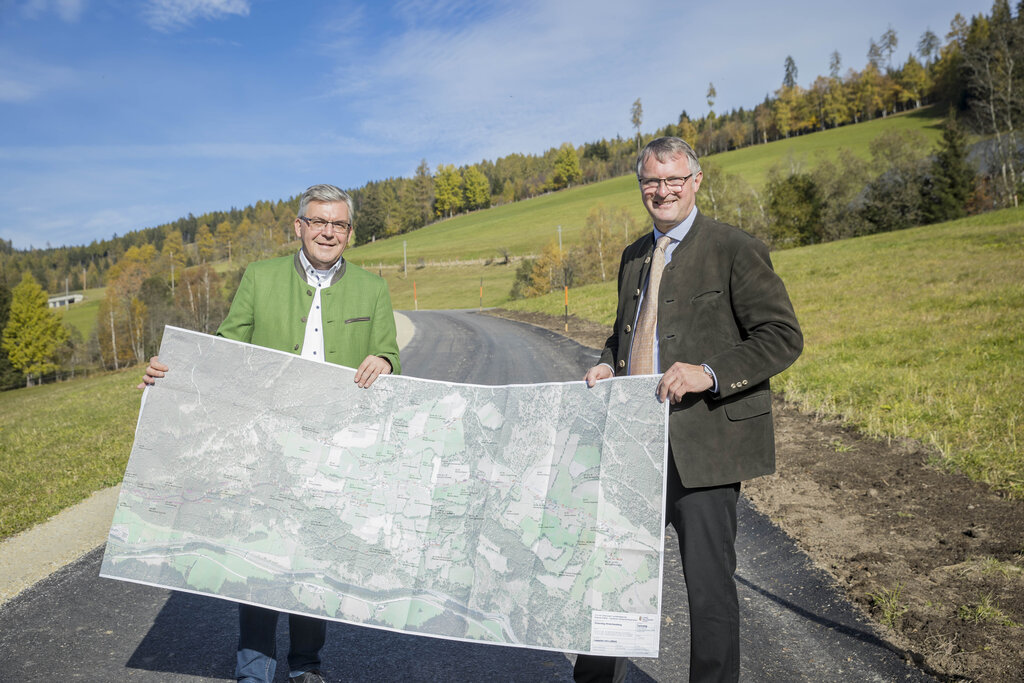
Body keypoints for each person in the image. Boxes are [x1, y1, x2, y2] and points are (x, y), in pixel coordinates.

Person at [139, 183, 401, 683]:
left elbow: (390, 352)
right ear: (299, 226)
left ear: (350, 232)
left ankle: (306, 666)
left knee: (314, 560)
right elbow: (225, 349)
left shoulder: (373, 288)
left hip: (332, 445)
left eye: (339, 224)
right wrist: (172, 373)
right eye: (319, 222)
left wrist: (385, 360)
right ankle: (253, 671)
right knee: (257, 558)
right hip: (265, 443)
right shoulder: (259, 278)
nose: (329, 232)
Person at [575, 138, 802, 683]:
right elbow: (623, 336)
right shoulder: (634, 255)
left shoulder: (733, 247)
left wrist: (711, 372)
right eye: (651, 182)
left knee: (708, 589)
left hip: (705, 449)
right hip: (634, 446)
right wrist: (608, 363)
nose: (662, 191)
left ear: (696, 182)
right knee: (613, 576)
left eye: (674, 180)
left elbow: (782, 336)